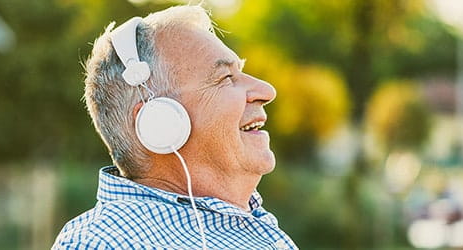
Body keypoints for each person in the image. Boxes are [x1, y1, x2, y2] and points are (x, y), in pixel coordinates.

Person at [53, 5, 293, 249]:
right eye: (225, 78)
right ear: (159, 122)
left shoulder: (251, 225)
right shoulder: (104, 242)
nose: (266, 91)